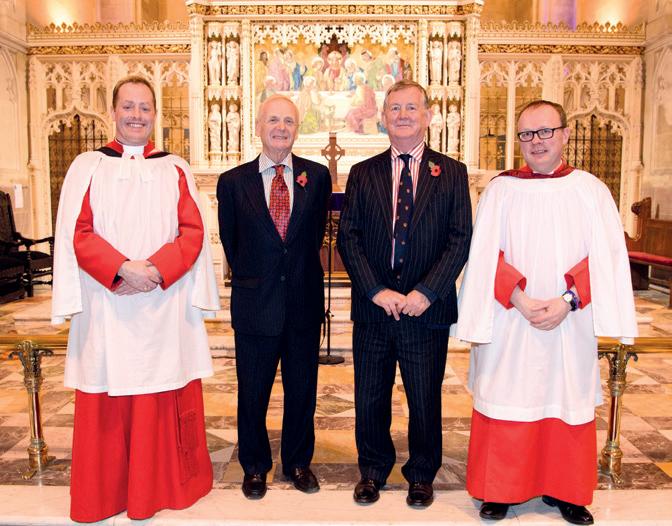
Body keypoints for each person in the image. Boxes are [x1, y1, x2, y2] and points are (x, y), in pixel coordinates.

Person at [454, 100, 638, 524]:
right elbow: (483, 254)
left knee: (564, 396)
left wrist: (567, 301)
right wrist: (517, 297)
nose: (536, 142)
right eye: (526, 134)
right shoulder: (501, 190)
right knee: (506, 395)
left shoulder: (590, 190)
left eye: (545, 132)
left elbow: (606, 256)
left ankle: (567, 491)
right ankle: (499, 490)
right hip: (510, 319)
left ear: (565, 134)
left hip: (569, 321)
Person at [51, 75, 220, 522]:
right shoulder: (88, 167)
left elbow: (193, 232)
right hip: (107, 305)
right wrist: (121, 268)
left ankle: (160, 489)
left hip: (163, 306)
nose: (137, 116)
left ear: (155, 115)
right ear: (113, 112)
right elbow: (78, 232)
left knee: (160, 391)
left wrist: (156, 270)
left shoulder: (174, 169)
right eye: (128, 106)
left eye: (145, 108)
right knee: (107, 389)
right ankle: (106, 494)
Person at [337, 80, 472, 508]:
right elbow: (349, 238)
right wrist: (375, 290)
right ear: (383, 118)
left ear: (428, 116)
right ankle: (372, 471)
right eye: (394, 108)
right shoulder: (363, 173)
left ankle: (421, 474)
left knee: (424, 397)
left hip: (425, 312)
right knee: (370, 395)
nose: (403, 116)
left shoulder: (452, 172)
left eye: (411, 108)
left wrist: (426, 292)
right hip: (374, 311)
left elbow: (460, 238)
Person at [217, 94, 331, 500]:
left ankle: (298, 463)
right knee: (252, 393)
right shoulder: (233, 182)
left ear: (297, 129)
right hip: (255, 305)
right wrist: (258, 278)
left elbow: (314, 237)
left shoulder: (317, 177)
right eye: (273, 120)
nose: (281, 128)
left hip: (303, 304)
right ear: (258, 126)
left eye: (289, 121)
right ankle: (254, 467)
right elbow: (231, 243)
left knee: (302, 392)